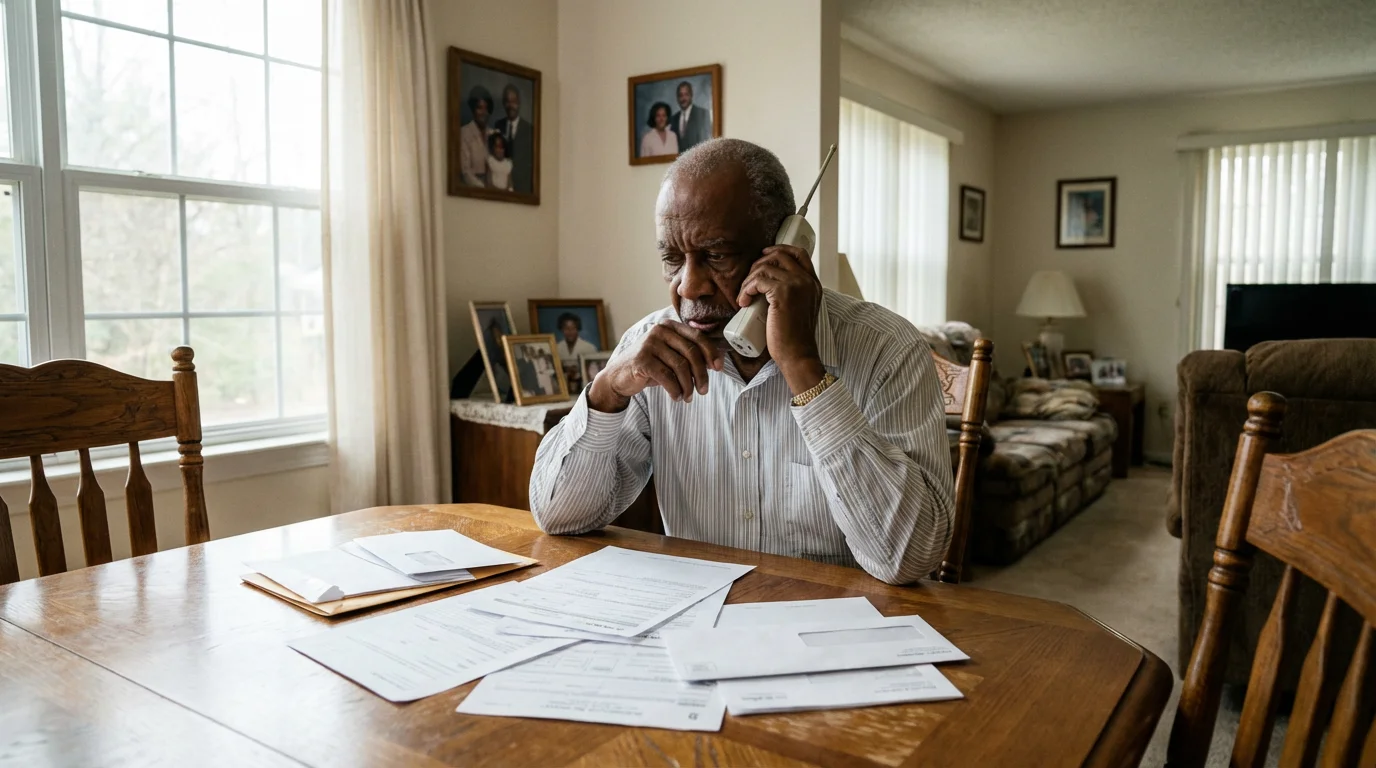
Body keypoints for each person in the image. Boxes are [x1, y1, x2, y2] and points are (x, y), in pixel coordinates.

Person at [530, 138, 954, 585]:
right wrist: (607, 391)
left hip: (837, 617)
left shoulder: (887, 348)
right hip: (697, 614)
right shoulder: (648, 349)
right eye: (672, 259)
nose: (688, 287)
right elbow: (560, 517)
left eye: (716, 256)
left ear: (785, 248)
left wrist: (803, 367)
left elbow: (910, 559)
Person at [492, 84, 534, 195]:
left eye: (514, 101)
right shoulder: (498, 125)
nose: (511, 105)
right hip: (501, 187)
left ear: (519, 103)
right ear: (503, 103)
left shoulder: (529, 129)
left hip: (522, 189)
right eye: (507, 101)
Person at [460, 86, 494, 187]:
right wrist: (483, 188)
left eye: (486, 108)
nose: (484, 112)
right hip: (472, 190)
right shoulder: (464, 133)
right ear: (473, 109)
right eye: (479, 108)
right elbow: (465, 172)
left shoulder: (494, 134)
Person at [669, 81, 711, 153]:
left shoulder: (703, 114)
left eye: (686, 94)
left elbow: (706, 142)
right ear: (677, 98)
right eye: (680, 95)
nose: (683, 98)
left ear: (691, 95)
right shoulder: (673, 119)